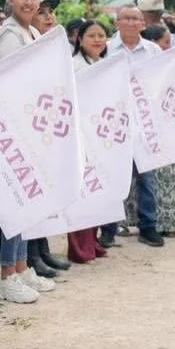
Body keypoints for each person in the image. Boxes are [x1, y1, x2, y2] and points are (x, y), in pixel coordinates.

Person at [0, 0, 59, 300]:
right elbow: (15, 85)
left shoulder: (33, 32)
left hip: (28, 127)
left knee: (28, 201)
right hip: (8, 129)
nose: (28, 1)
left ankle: (22, 267)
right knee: (16, 202)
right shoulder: (8, 36)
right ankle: (6, 276)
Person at [106, 5, 166, 248]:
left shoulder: (153, 50)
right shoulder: (107, 49)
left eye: (135, 19)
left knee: (147, 178)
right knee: (113, 178)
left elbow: (161, 82)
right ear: (117, 23)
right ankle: (109, 229)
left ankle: (148, 226)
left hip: (144, 125)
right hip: (113, 125)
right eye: (126, 18)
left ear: (143, 24)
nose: (131, 23)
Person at [137, 24, 175, 237]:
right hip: (150, 130)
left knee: (169, 177)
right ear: (153, 43)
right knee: (154, 180)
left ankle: (171, 222)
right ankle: (156, 222)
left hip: (167, 129)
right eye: (166, 42)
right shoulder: (150, 65)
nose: (168, 46)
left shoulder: (166, 65)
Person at [67, 19, 112, 264]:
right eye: (91, 35)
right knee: (81, 192)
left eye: (101, 35)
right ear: (80, 40)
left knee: (97, 190)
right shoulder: (73, 66)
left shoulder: (106, 65)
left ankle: (92, 241)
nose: (97, 40)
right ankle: (78, 247)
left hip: (101, 135)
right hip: (80, 135)